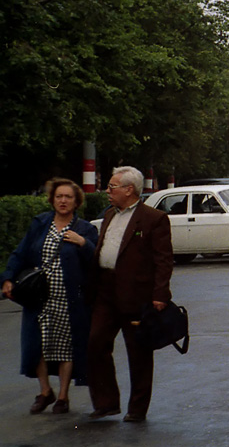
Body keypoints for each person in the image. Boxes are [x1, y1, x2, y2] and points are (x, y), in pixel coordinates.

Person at [1, 178, 98, 415]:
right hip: (38, 296)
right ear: (52, 199)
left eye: (68, 197)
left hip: (69, 299)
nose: (63, 201)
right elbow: (21, 252)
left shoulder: (86, 229)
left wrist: (83, 242)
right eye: (59, 197)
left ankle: (63, 395)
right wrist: (7, 278)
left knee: (65, 346)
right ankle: (45, 391)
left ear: (76, 202)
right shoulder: (41, 223)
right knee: (37, 344)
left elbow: (96, 260)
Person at [86, 166, 174, 422]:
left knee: (138, 353)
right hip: (105, 291)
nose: (107, 191)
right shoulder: (109, 215)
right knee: (95, 343)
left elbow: (163, 260)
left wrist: (160, 294)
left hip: (137, 295)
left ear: (129, 189)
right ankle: (106, 402)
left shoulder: (153, 219)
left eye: (112, 186)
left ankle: (137, 409)